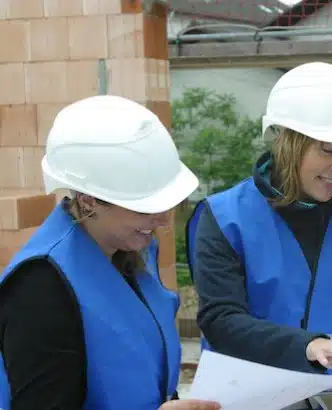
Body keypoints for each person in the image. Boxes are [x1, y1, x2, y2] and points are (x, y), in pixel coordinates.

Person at [186, 62, 332, 409]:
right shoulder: (224, 217)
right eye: (327, 150)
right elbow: (221, 320)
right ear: (288, 141)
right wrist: (306, 346)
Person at [0, 95, 221, 410]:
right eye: (145, 207)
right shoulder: (39, 287)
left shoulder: (134, 251)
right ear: (89, 200)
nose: (162, 221)